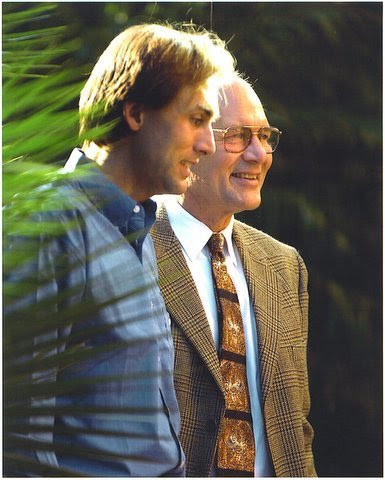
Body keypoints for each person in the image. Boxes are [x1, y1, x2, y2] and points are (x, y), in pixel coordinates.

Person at [4, 24, 234, 477]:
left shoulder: (139, 228)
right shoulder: (47, 223)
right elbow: (17, 441)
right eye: (196, 119)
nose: (208, 144)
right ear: (135, 113)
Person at [151, 75, 317, 477]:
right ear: (191, 140)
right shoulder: (129, 248)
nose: (259, 153)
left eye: (265, 135)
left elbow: (297, 429)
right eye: (238, 136)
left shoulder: (283, 265)